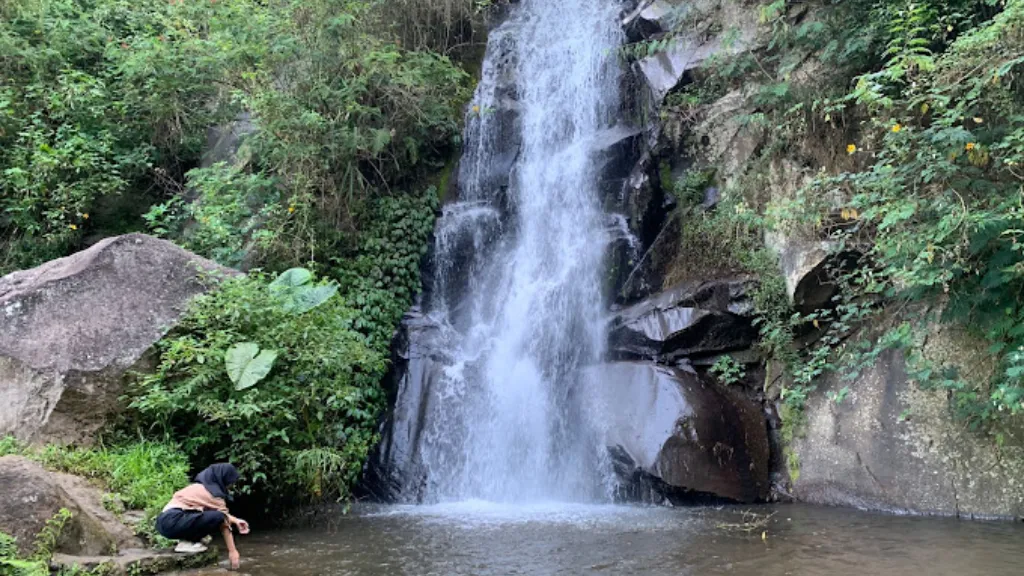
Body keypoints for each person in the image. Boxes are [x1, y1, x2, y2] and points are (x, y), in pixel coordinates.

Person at [156, 463, 250, 570]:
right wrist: (233, 551)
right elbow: (224, 522)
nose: (231, 486)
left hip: (163, 522)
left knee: (207, 514)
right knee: (218, 517)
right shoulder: (214, 495)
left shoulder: (197, 487)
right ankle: (189, 542)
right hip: (174, 521)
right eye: (230, 483)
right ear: (223, 480)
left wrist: (236, 520)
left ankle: (187, 542)